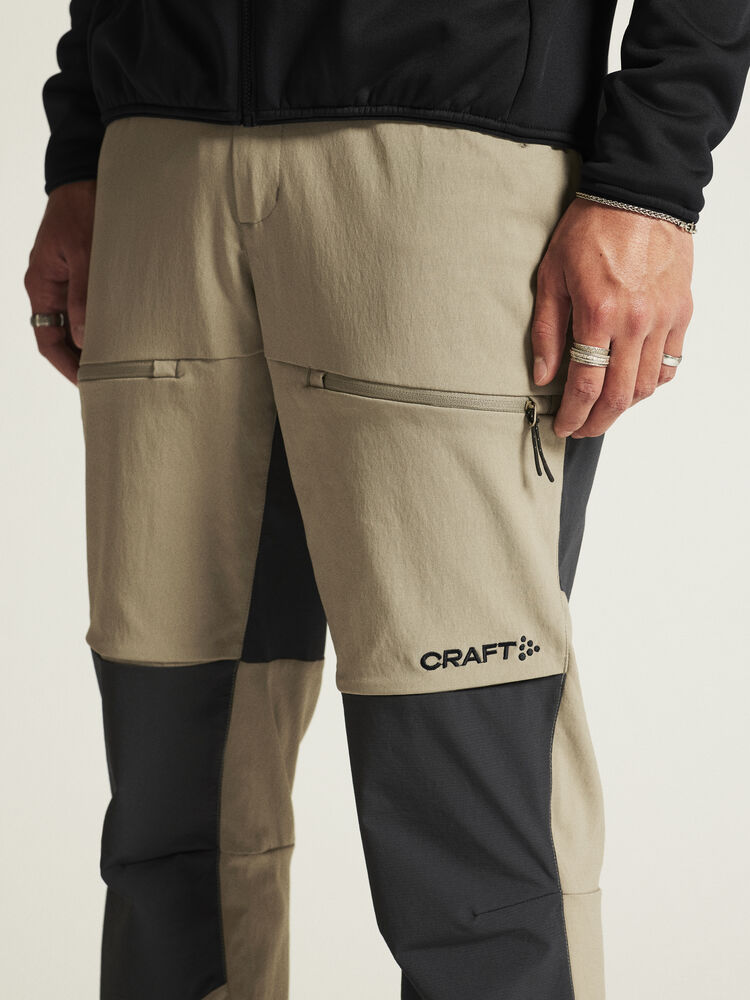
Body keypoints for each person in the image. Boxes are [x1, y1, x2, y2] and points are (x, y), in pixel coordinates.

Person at [24, 2, 750, 999]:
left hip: (447, 152)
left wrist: (650, 181)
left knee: (473, 836)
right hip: (154, 161)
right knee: (170, 811)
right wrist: (83, 141)